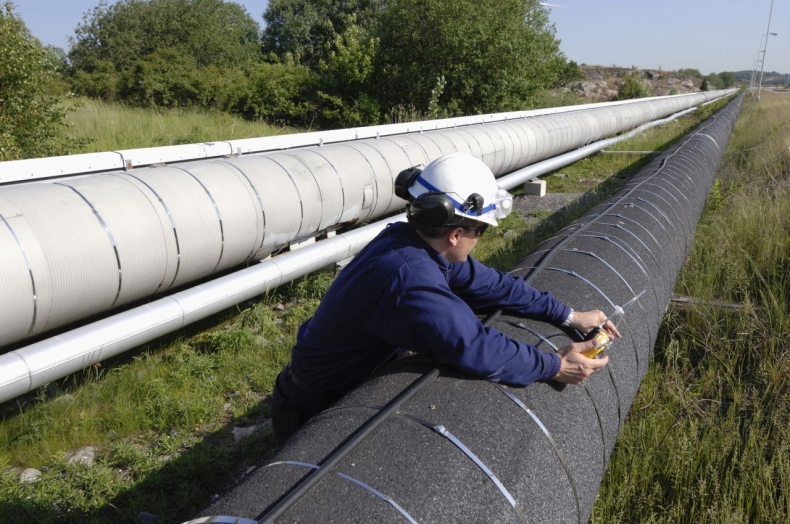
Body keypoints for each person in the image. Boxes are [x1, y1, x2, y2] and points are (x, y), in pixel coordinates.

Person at [271, 152, 620, 445]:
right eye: (481, 231)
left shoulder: (415, 243)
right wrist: (556, 365)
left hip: (336, 383)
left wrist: (568, 315)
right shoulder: (409, 278)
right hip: (311, 410)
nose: (479, 239)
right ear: (455, 234)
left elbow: (495, 286)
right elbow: (473, 346)